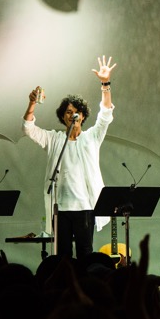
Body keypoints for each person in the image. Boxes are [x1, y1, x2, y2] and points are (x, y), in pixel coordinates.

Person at [22, 55, 116, 259]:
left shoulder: (91, 137)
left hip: (85, 207)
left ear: (83, 115)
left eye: (76, 112)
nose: (72, 115)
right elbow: (28, 128)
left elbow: (105, 115)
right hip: (61, 209)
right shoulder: (54, 139)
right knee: (62, 256)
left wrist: (105, 84)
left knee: (85, 255)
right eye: (68, 112)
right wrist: (32, 104)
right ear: (62, 117)